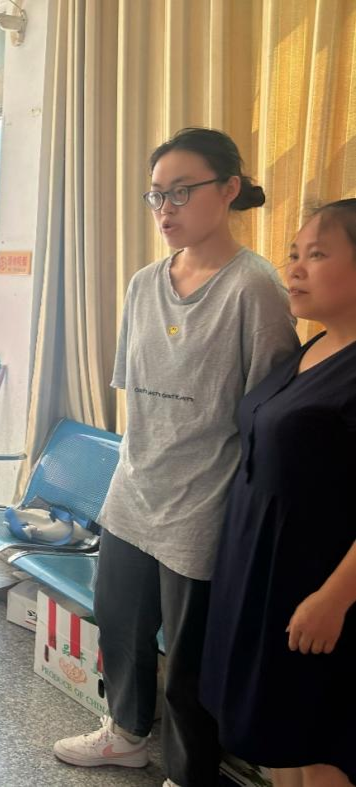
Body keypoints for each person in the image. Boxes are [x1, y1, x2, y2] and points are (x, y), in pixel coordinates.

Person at [52, 128, 299, 787]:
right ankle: (126, 734)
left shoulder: (255, 288)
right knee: (120, 622)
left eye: (182, 192)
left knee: (189, 657)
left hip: (204, 501)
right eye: (157, 194)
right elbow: (134, 394)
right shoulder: (143, 285)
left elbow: (269, 414)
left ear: (229, 189)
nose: (165, 208)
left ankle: (189, 775)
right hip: (134, 489)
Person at [201, 199, 356, 787]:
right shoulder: (313, 346)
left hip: (318, 585)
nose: (294, 269)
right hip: (263, 571)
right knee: (275, 732)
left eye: (317, 255)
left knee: (318, 741)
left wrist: (334, 599)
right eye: (294, 254)